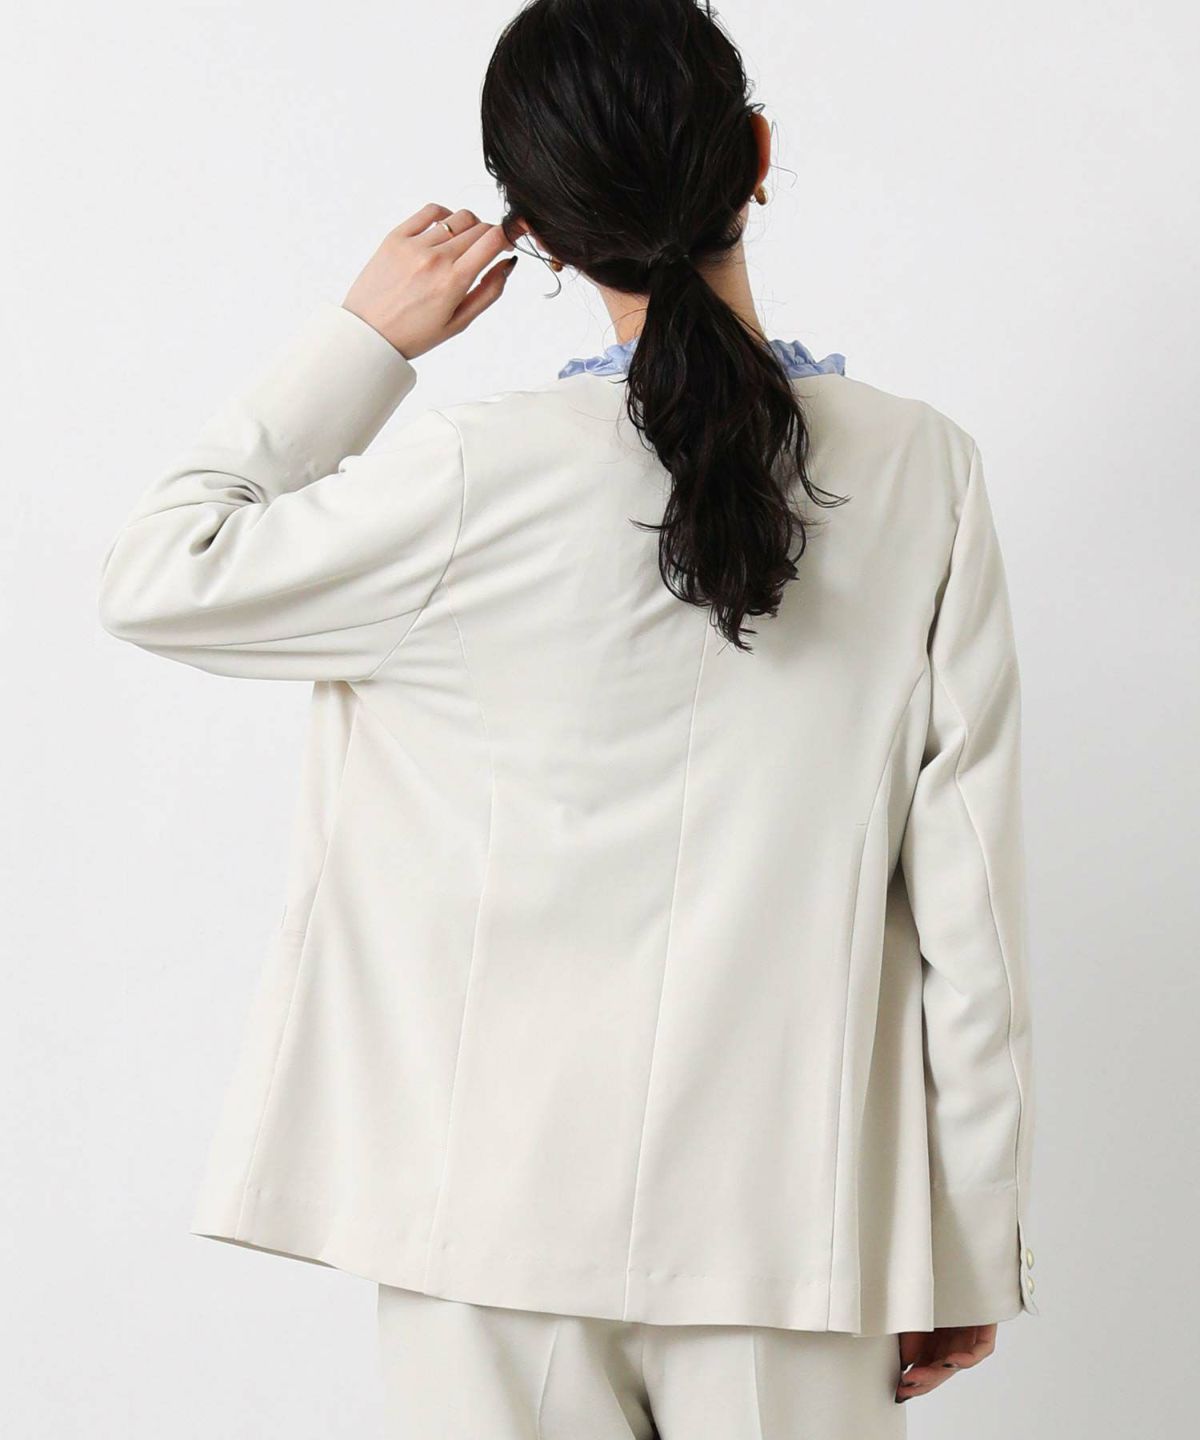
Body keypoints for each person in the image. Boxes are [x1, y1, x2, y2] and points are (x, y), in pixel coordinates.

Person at [96, 1, 1037, 1435]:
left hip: (482, 1227)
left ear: (532, 231)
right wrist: (963, 1238)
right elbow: (971, 903)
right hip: (796, 1233)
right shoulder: (925, 474)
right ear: (757, 156)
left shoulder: (468, 476)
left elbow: (162, 571)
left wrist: (362, 340)